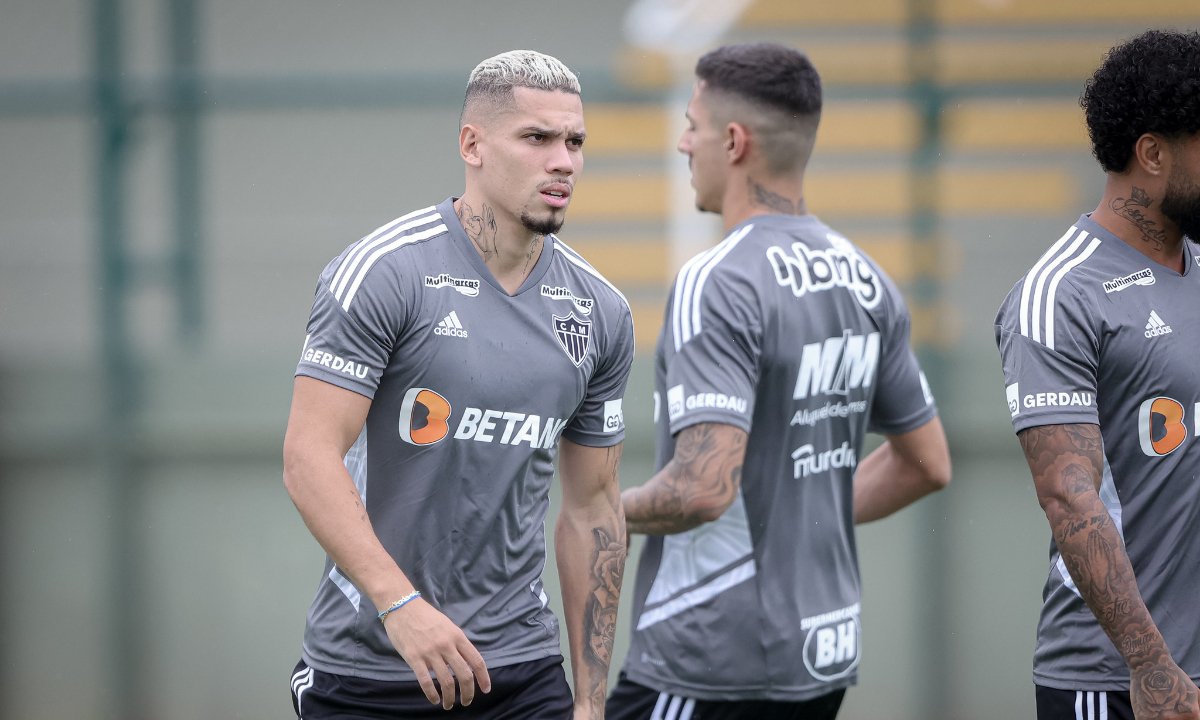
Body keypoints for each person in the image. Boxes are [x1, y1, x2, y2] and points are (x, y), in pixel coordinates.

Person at [283, 49, 634, 720]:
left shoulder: (601, 311)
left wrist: (590, 700)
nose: (562, 161)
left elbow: (593, 510)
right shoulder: (384, 273)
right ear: (472, 144)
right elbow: (307, 459)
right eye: (537, 138)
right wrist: (401, 604)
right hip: (371, 667)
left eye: (575, 142)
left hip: (522, 673)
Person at [605, 42, 951, 720]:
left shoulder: (718, 280)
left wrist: (597, 511)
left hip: (711, 656)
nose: (683, 144)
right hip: (821, 654)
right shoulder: (866, 277)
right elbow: (927, 464)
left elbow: (701, 489)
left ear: (733, 142)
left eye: (692, 125)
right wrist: (795, 514)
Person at [994, 29, 1200, 720]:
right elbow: (1068, 496)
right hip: (1116, 685)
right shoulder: (1060, 293)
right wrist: (1151, 669)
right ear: (1152, 153)